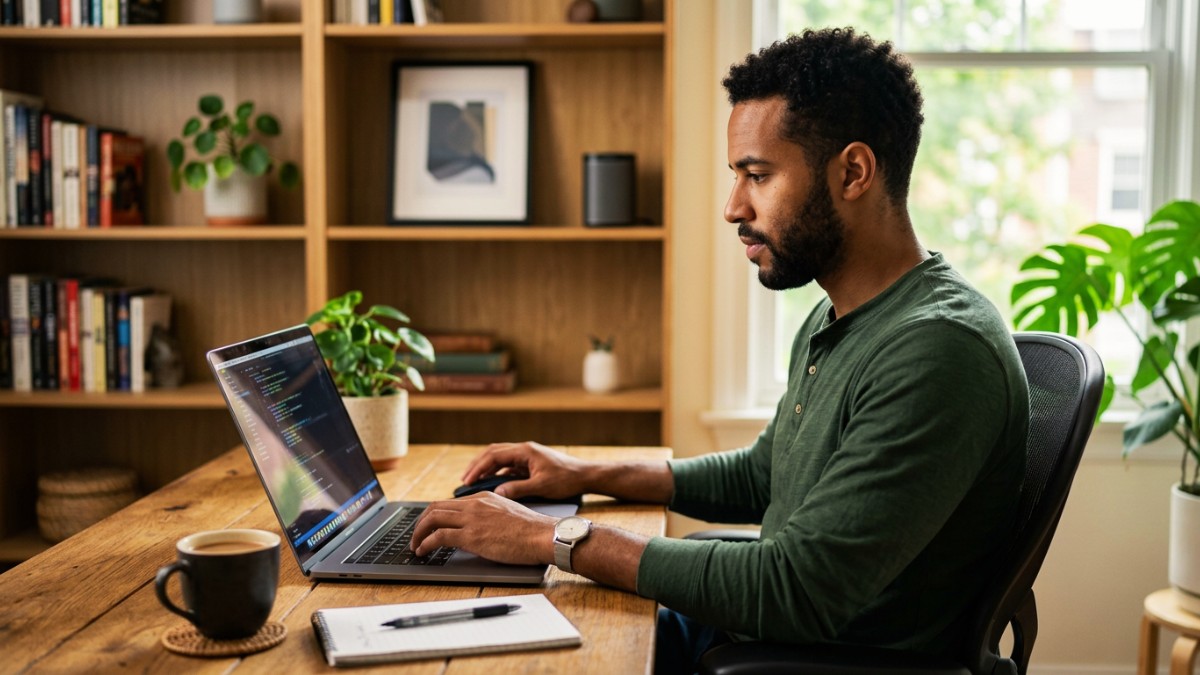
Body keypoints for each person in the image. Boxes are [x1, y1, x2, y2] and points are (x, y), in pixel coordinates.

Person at [412, 27, 1029, 673]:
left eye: (757, 175)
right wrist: (583, 472)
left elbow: (797, 589)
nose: (734, 206)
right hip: (765, 637)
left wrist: (548, 534)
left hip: (807, 657)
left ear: (853, 171)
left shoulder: (936, 349)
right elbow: (764, 474)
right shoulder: (841, 313)